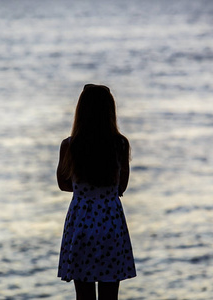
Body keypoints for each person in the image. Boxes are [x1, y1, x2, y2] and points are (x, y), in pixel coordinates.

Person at [57, 84, 136, 300]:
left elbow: (63, 184)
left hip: (81, 222)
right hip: (110, 223)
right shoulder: (120, 144)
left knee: (84, 297)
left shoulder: (69, 145)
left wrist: (83, 189)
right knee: (110, 296)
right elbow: (122, 186)